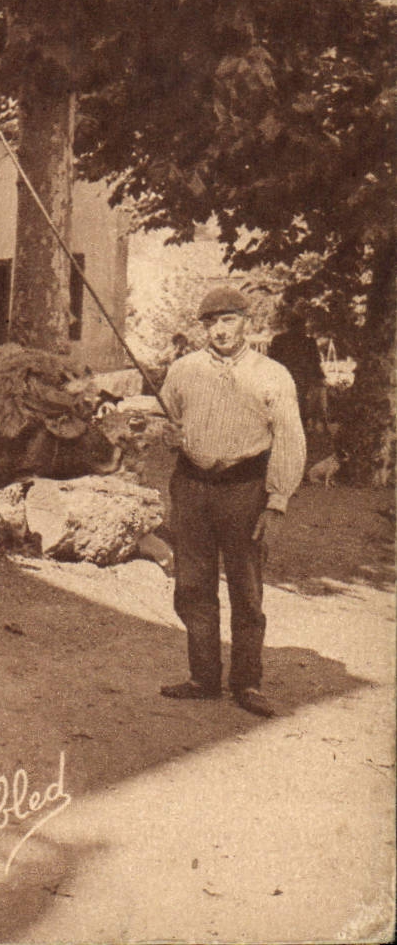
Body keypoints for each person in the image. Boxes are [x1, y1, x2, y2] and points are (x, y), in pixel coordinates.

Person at [158, 286, 305, 717]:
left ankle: (247, 683)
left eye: (228, 320)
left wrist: (276, 501)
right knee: (192, 586)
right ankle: (203, 678)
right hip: (191, 486)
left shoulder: (272, 374)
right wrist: (168, 435)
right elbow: (168, 421)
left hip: (245, 490)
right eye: (211, 323)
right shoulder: (183, 370)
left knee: (246, 588)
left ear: (246, 322)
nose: (220, 330)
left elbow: (290, 439)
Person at [266, 306, 329, 437]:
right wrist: (319, 378)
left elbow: (271, 361)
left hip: (284, 378)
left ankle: (287, 432)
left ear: (287, 325)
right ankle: (299, 432)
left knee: (285, 406)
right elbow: (315, 363)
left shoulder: (279, 340)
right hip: (301, 379)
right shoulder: (308, 341)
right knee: (300, 405)